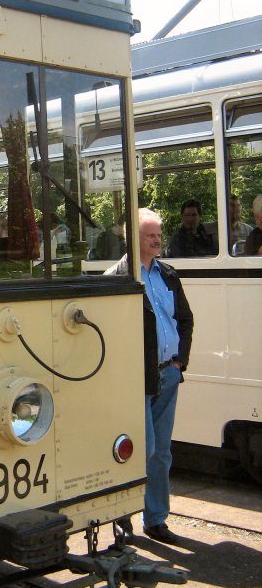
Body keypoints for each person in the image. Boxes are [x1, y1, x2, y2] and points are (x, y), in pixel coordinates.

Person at [107, 208, 194, 544]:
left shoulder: (168, 274)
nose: (158, 240)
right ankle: (122, 516)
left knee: (161, 452)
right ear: (134, 238)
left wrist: (179, 362)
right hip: (137, 379)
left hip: (167, 374)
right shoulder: (117, 277)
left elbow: (185, 320)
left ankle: (155, 519)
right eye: (151, 236)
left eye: (159, 234)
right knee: (141, 450)